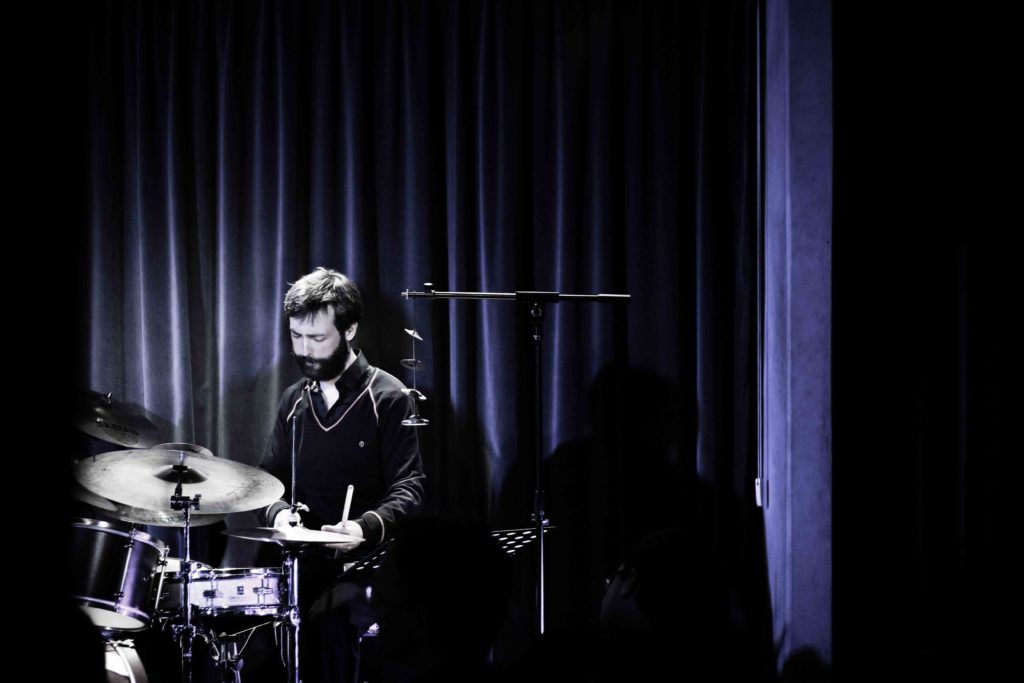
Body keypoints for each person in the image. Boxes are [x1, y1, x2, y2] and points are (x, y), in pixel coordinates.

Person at [259, 267, 426, 682]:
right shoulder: (294, 401)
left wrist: (364, 527)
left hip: (366, 567)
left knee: (329, 627)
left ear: (350, 330)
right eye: (296, 336)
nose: (304, 350)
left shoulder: (389, 397)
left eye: (317, 338)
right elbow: (265, 483)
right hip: (303, 566)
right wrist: (279, 515)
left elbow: (410, 487)